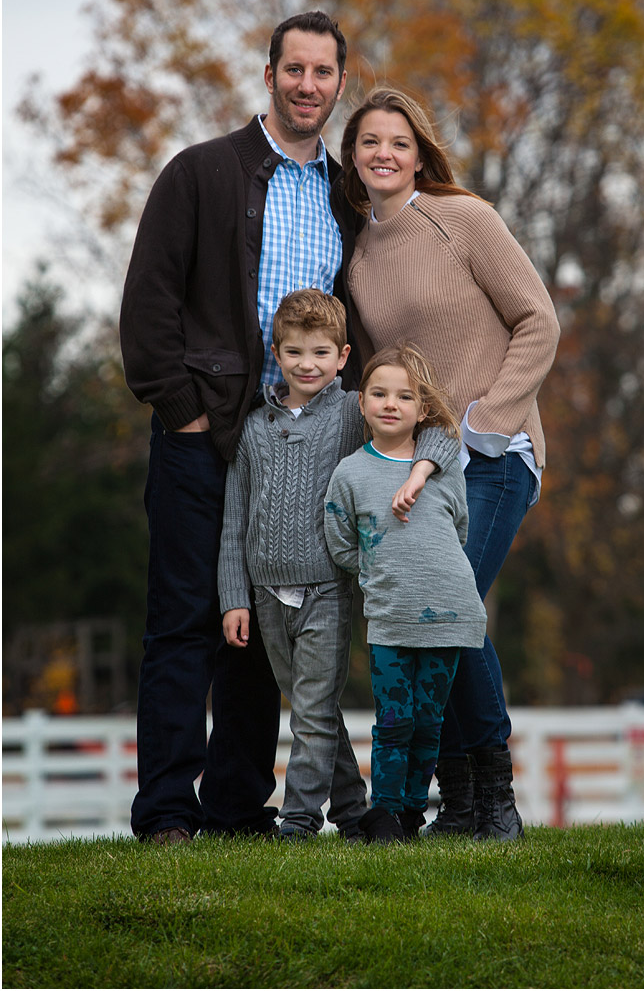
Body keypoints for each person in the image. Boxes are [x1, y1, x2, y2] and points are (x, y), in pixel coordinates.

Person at [120, 10, 362, 844]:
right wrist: (183, 416)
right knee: (186, 621)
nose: (307, 86)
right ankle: (165, 814)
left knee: (264, 628)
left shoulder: (345, 197)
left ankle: (232, 808)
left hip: (300, 449)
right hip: (204, 440)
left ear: (339, 82)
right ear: (268, 76)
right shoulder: (201, 173)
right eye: (293, 69)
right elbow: (148, 305)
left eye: (322, 73)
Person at [339, 86, 560, 841]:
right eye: (369, 142)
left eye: (397, 142)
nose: (383, 154)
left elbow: (538, 319)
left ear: (418, 151)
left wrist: (486, 424)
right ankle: (461, 800)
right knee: (437, 615)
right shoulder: (359, 256)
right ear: (352, 155)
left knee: (451, 606)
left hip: (492, 456)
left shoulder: (461, 217)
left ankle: (494, 803)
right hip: (421, 469)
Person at [217, 290, 458, 841]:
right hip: (263, 593)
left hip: (326, 587)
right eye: (295, 353)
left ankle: (298, 823)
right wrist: (234, 596)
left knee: (312, 710)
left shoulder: (356, 409)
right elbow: (235, 519)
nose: (308, 365)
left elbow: (441, 433)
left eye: (321, 353)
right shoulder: (253, 428)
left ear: (343, 356)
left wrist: (419, 473)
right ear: (275, 353)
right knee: (314, 712)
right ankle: (354, 812)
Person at [324, 344, 487, 844]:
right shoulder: (350, 473)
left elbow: (458, 527)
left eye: (403, 396)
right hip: (391, 619)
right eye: (378, 393)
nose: (390, 404)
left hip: (451, 614)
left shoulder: (441, 467)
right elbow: (340, 541)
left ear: (421, 409)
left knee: (429, 720)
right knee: (394, 719)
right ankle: (386, 813)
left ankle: (414, 813)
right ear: (362, 403)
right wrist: (378, 570)